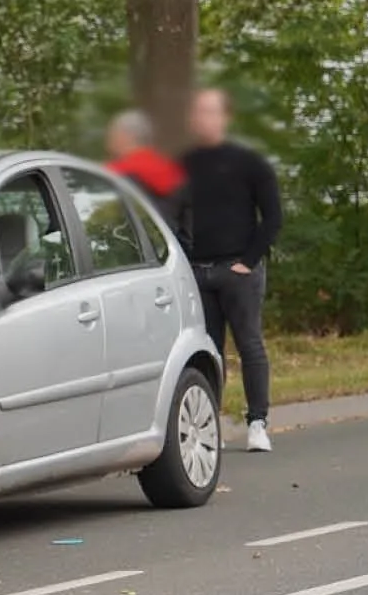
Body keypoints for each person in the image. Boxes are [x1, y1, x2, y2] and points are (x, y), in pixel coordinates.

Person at [182, 88, 281, 452]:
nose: (204, 118)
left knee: (250, 345)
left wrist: (249, 261)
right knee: (207, 350)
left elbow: (272, 218)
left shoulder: (250, 163)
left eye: (211, 111)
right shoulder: (183, 165)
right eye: (198, 112)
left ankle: (257, 422)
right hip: (197, 273)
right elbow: (170, 213)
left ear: (225, 117)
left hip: (238, 270)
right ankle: (212, 423)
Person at [104, 109, 186, 218]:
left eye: (112, 134)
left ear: (125, 136)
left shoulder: (115, 172)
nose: (108, 139)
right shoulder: (173, 169)